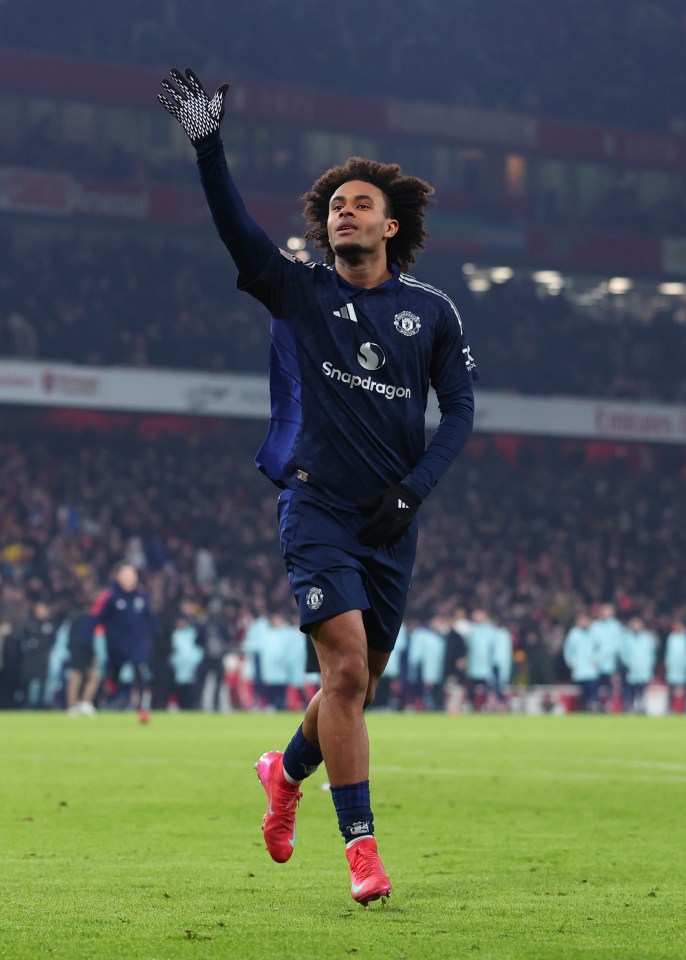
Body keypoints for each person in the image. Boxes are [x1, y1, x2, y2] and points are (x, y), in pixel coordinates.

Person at [159, 68, 477, 906]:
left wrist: (414, 493)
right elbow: (237, 235)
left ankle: (283, 771)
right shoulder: (300, 291)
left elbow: (462, 412)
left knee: (357, 686)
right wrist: (208, 148)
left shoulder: (432, 313)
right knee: (342, 675)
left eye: (361, 201)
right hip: (317, 506)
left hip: (392, 519)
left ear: (391, 224)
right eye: (336, 201)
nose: (345, 207)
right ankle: (363, 852)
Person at [84, 562, 157, 722]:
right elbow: (95, 618)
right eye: (125, 575)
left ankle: (143, 708)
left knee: (142, 675)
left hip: (137, 645)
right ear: (118, 577)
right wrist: (89, 639)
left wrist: (152, 637)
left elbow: (149, 621)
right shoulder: (110, 597)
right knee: (113, 677)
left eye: (131, 575)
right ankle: (109, 702)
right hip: (115, 646)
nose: (128, 579)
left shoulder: (142, 598)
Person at [563, 611, 599, 711]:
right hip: (579, 666)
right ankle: (583, 707)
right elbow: (568, 649)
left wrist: (597, 660)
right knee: (581, 690)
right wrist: (570, 662)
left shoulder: (594, 632)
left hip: (590, 666)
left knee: (592, 687)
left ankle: (594, 706)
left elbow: (599, 648)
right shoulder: (574, 633)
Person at [664, 619, 686, 713]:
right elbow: (668, 653)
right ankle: (671, 707)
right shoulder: (671, 638)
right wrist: (668, 663)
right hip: (673, 667)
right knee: (672, 688)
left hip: (683, 667)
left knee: (683, 688)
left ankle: (683, 708)